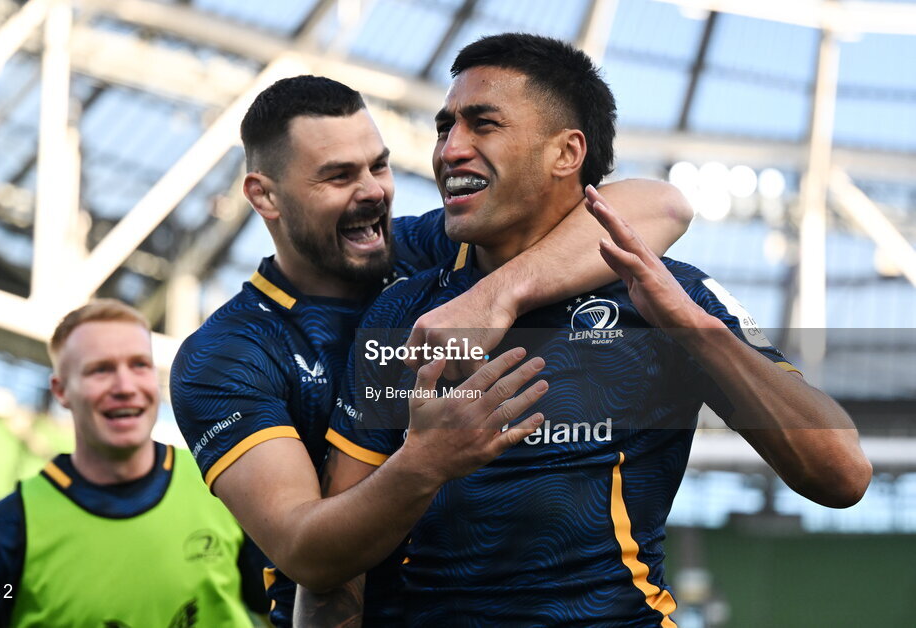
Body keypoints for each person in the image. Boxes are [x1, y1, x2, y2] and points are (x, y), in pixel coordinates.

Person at [323, 33, 872, 626]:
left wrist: (693, 329)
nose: (450, 149)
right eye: (444, 128)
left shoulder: (668, 294)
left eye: (484, 125)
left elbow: (842, 474)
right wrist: (420, 463)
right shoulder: (404, 313)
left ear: (567, 153)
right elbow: (332, 565)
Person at [170, 75, 693, 626]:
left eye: (379, 166)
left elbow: (663, 206)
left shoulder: (432, 247)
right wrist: (423, 463)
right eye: (339, 176)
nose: (373, 191)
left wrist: (496, 294)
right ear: (265, 195)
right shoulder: (226, 354)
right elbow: (306, 552)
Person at [0, 300, 262, 628]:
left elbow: (284, 605)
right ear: (61, 391)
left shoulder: (221, 482)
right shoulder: (9, 529)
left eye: (139, 365)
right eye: (101, 370)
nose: (125, 386)